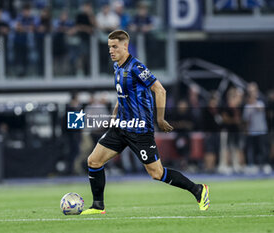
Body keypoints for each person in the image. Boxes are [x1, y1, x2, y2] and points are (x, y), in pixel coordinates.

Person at [81, 30, 210, 215]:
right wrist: (114, 114)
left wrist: (160, 118)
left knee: (156, 173)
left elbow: (160, 90)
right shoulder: (117, 67)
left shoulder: (136, 67)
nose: (111, 50)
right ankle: (98, 206)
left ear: (125, 46)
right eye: (109, 47)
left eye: (114, 46)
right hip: (121, 127)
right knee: (93, 161)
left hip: (140, 129)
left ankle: (198, 190)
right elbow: (122, 94)